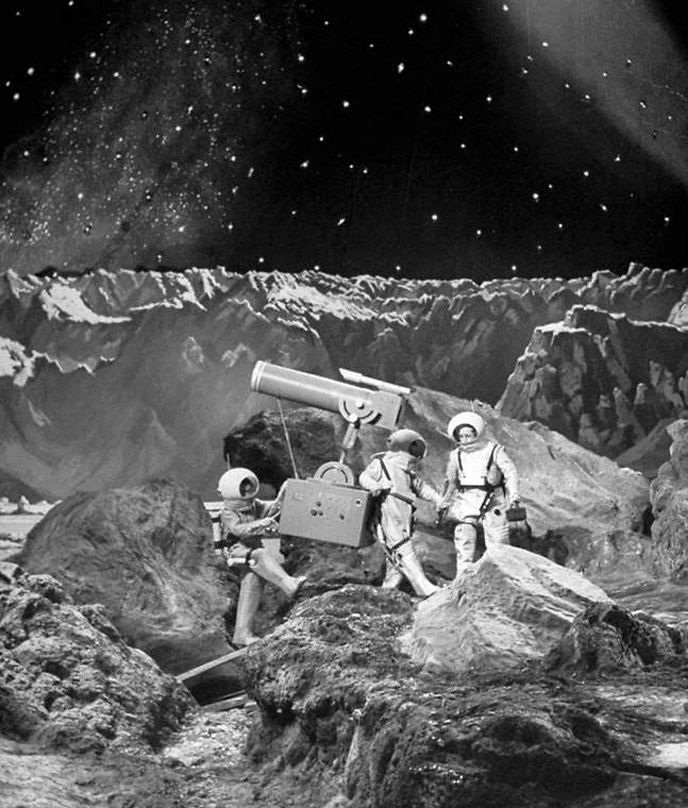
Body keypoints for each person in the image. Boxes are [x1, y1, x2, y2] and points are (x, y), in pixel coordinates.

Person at [216, 467, 307, 647]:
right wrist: (261, 524)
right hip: (235, 551)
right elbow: (239, 530)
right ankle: (288, 584)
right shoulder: (228, 512)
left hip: (250, 550)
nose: (247, 490)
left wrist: (284, 492)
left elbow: (272, 511)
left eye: (248, 486)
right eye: (243, 487)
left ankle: (242, 634)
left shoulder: (254, 505)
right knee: (260, 554)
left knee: (252, 583)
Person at [358, 428, 443, 598]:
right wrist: (374, 486)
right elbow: (364, 477)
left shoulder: (407, 473)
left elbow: (421, 488)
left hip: (404, 509)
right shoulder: (382, 464)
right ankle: (422, 586)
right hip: (388, 506)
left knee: (394, 549)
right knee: (402, 546)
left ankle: (390, 585)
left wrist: (437, 499)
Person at [438, 411, 520, 579]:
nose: (465, 440)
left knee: (498, 541)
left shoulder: (494, 451)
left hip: (492, 499)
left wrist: (514, 496)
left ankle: (503, 576)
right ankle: (463, 576)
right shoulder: (456, 455)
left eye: (468, 435)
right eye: (461, 436)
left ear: (478, 433)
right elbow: (451, 481)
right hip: (467, 498)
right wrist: (444, 501)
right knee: (464, 537)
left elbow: (510, 472)